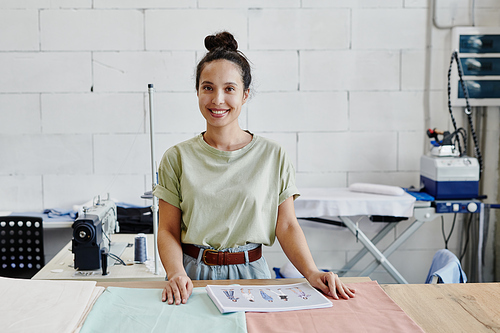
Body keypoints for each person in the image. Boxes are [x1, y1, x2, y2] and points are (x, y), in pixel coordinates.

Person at [153, 31, 355, 305]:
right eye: (208, 87)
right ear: (198, 91)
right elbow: (166, 229)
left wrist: (311, 271)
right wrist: (175, 272)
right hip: (191, 277)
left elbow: (286, 225)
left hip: (253, 276)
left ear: (245, 95)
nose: (218, 100)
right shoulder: (176, 157)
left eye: (229, 89)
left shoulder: (273, 155)